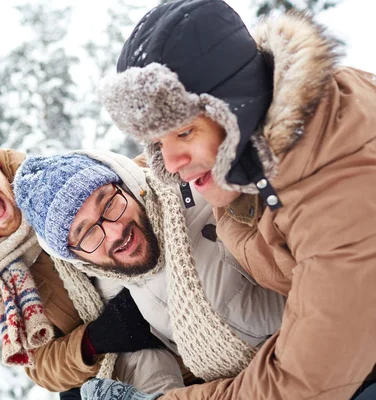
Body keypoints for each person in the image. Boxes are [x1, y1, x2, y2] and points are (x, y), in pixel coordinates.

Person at [94, 0, 376, 399]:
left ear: (235, 105)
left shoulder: (336, 193)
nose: (171, 164)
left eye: (184, 132)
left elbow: (298, 386)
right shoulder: (273, 144)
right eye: (159, 143)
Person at [0, 130, 186, 398]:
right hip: (133, 365)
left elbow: (128, 179)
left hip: (179, 306)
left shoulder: (53, 186)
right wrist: (96, 340)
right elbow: (41, 364)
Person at [13, 150, 286, 385]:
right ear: (76, 257)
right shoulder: (119, 285)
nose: (115, 232)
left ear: (127, 186)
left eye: (109, 203)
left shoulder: (205, 198)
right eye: (87, 234)